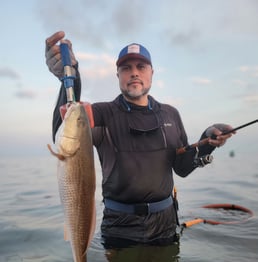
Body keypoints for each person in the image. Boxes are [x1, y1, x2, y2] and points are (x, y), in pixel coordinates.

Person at [45, 31, 234, 248]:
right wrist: (69, 78)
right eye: (126, 68)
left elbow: (181, 168)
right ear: (118, 75)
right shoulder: (102, 113)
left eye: (141, 67)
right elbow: (66, 128)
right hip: (119, 226)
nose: (134, 73)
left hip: (165, 222)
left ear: (152, 73)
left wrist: (206, 141)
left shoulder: (170, 114)